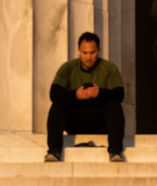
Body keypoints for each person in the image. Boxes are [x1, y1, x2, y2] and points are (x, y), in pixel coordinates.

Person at [45, 32, 125, 162]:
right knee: (58, 105)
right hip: (75, 121)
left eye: (92, 53)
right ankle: (54, 151)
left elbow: (119, 95)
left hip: (100, 121)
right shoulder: (68, 68)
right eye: (84, 53)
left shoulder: (108, 68)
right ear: (78, 50)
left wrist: (100, 93)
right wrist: (75, 95)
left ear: (99, 50)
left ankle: (115, 151)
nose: (88, 57)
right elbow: (54, 93)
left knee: (114, 105)